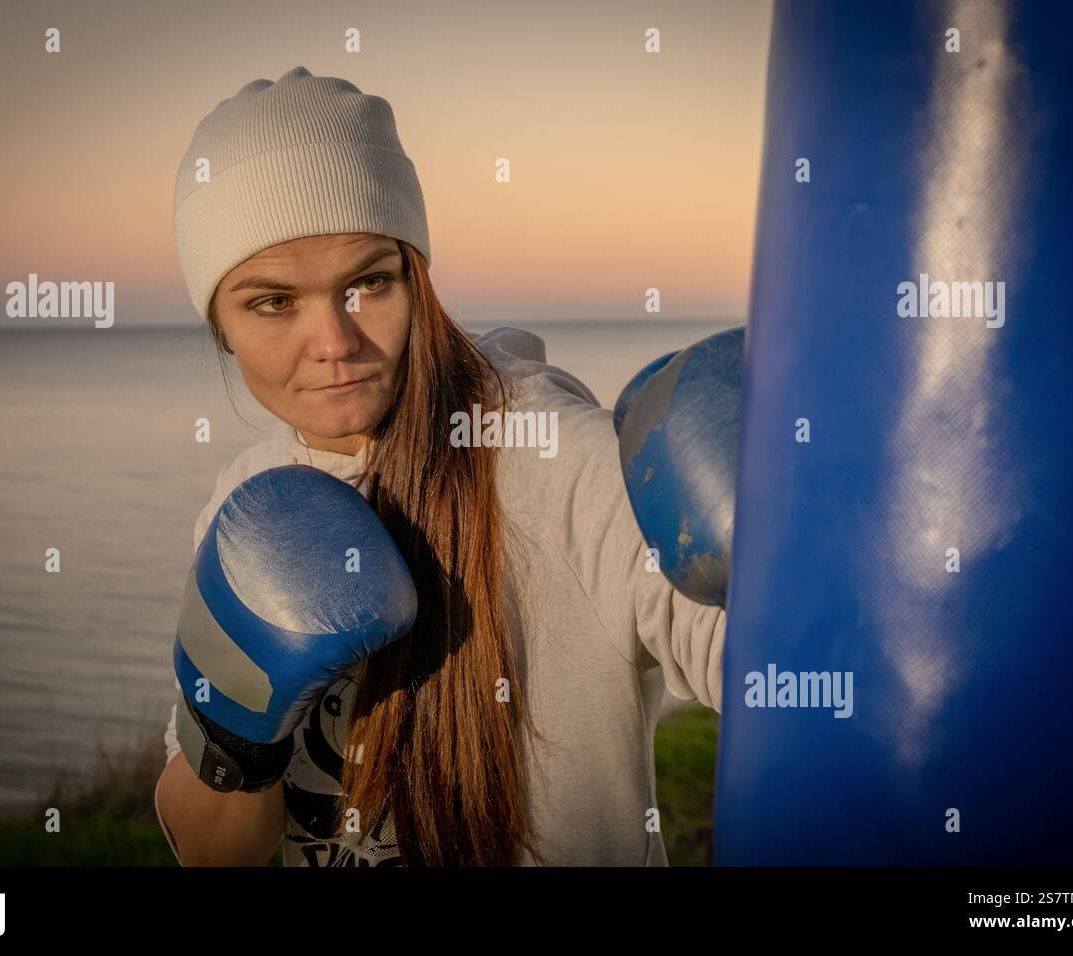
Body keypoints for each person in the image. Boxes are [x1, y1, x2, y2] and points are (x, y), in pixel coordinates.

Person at [154, 65, 725, 867]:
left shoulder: (559, 462)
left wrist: (792, 543)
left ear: (417, 276)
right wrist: (231, 741)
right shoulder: (246, 502)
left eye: (368, 284)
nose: (334, 344)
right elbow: (215, 855)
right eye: (273, 302)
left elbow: (786, 682)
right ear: (219, 326)